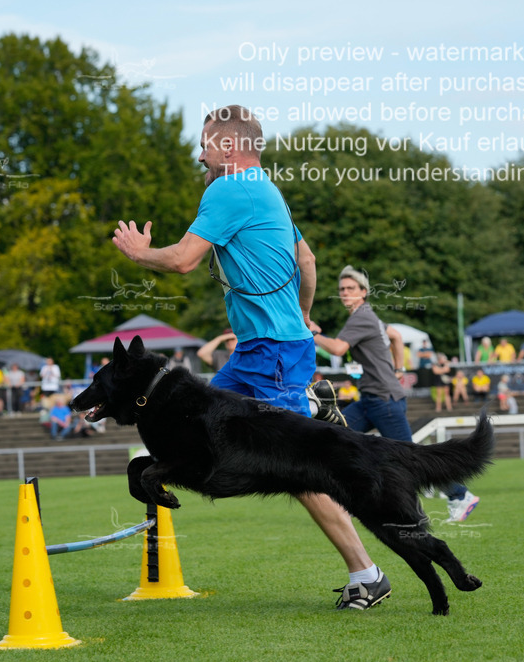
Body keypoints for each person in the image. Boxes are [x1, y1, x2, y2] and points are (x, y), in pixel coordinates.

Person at [112, 104, 390, 611]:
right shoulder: (269, 190)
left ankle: (367, 574)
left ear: (227, 146)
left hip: (272, 354)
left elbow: (182, 260)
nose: (199, 154)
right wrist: (302, 318)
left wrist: (137, 254)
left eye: (204, 144)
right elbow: (307, 260)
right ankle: (157, 473)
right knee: (197, 418)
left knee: (301, 468)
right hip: (267, 350)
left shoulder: (230, 186)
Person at [312, 266, 480, 524]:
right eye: (341, 290)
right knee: (334, 435)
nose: (344, 293)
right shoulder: (369, 316)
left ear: (363, 293)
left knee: (412, 457)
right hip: (370, 400)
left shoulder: (360, 317)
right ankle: (352, 497)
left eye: (350, 289)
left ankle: (459, 495)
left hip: (383, 401)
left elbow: (337, 348)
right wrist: (399, 368)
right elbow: (396, 336)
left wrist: (313, 333)